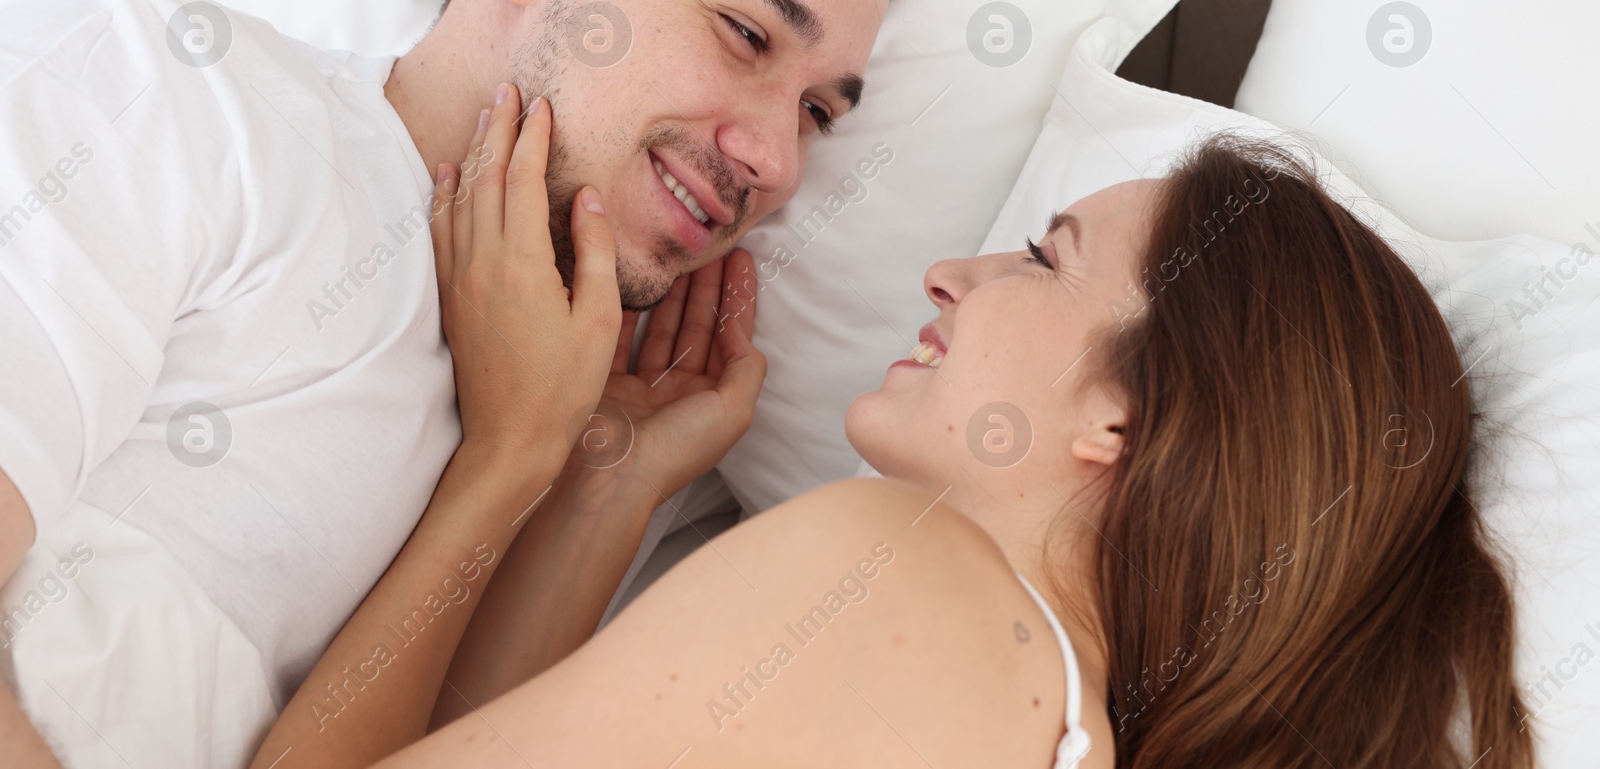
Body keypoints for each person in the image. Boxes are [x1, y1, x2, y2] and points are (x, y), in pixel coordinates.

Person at [0, 0, 907, 766]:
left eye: (818, 112)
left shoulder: (552, 410)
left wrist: (581, 483)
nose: (776, 161)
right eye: (744, 32)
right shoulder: (169, 89)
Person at [354, 114, 1532, 769]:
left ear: (1124, 417)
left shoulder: (900, 577)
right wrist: (599, 488)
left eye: (1041, 256)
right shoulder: (1055, 716)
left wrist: (508, 452)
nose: (949, 271)